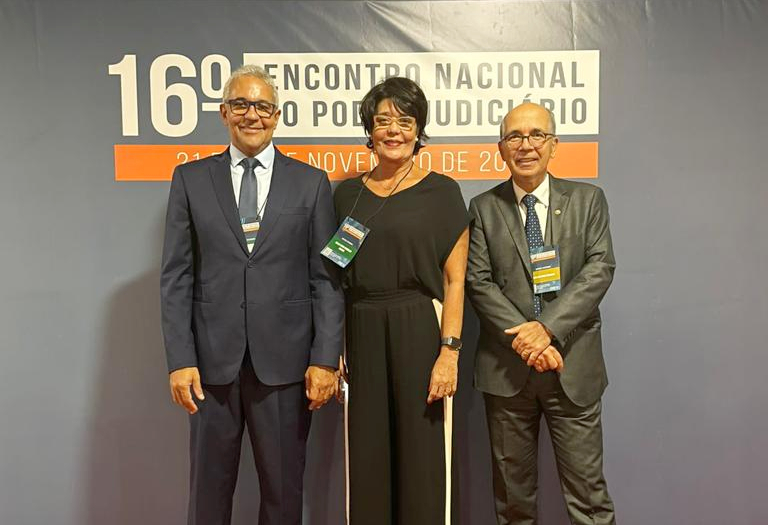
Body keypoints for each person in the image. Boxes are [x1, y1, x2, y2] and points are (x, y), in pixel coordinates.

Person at [160, 64, 343, 525]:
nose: (251, 115)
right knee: (208, 495)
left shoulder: (310, 183)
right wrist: (180, 359)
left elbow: (325, 279)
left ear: (277, 115)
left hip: (284, 367)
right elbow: (177, 276)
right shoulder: (190, 179)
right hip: (210, 368)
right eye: (240, 104)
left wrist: (325, 359)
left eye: (262, 105)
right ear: (224, 113)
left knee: (283, 496)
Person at [466, 102, 617, 525]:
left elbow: (599, 268)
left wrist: (546, 330)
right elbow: (478, 281)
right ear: (501, 148)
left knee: (589, 499)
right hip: (508, 374)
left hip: (573, 368)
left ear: (554, 145)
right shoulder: (483, 207)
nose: (525, 145)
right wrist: (527, 342)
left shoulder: (589, 200)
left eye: (536, 135)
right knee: (513, 504)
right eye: (515, 136)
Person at [332, 77, 469, 525]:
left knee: (422, 460)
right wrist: (332, 350)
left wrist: (448, 354)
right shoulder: (345, 195)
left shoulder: (443, 192)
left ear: (419, 129)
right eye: (383, 120)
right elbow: (332, 277)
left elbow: (455, 281)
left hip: (419, 328)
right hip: (362, 330)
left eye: (404, 121)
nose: (393, 130)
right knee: (367, 460)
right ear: (369, 129)